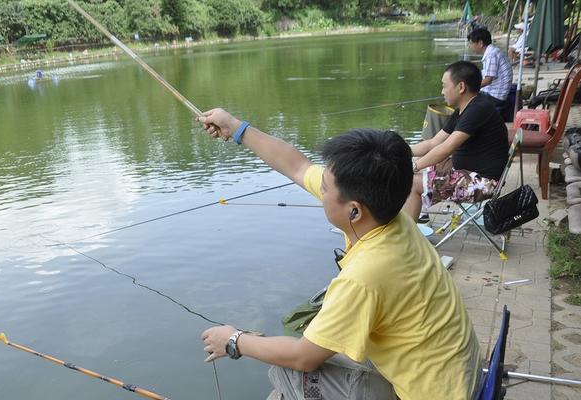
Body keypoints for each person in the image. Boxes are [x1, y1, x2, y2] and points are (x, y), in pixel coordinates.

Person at [197, 110, 482, 399]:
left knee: (288, 371)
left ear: (354, 210)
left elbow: (303, 357)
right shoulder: (393, 218)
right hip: (457, 375)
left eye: (324, 189)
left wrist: (234, 340)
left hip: (434, 394)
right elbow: (297, 166)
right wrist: (236, 128)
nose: (319, 189)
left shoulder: (364, 276)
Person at [403, 61, 509, 222]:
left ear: (461, 87)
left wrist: (413, 167)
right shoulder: (464, 109)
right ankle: (420, 213)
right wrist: (400, 150)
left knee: (411, 181)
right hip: (467, 173)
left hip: (483, 184)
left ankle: (408, 239)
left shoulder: (478, 109)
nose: (442, 91)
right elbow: (433, 143)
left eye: (445, 86)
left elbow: (447, 148)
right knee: (417, 164)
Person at [467, 28, 513, 115]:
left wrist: (471, 88)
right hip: (494, 93)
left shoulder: (491, 55)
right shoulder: (492, 52)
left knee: (466, 98)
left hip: (496, 96)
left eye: (471, 43)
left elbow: (488, 80)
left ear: (480, 43)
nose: (470, 46)